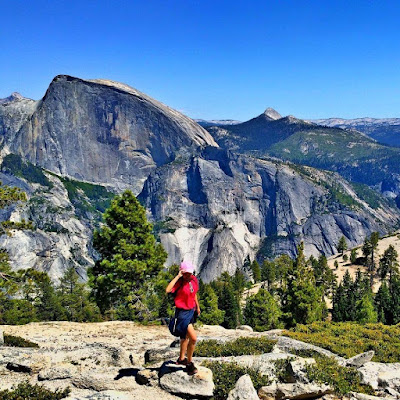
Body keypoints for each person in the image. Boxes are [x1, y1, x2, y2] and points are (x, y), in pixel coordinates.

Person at [166, 260, 200, 375]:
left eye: (190, 273)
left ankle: (181, 359)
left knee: (185, 337)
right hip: (182, 313)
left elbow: (194, 294)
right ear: (182, 272)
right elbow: (168, 290)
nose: (188, 275)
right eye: (186, 273)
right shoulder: (179, 282)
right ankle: (189, 363)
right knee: (193, 338)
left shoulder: (194, 279)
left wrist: (198, 307)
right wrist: (178, 276)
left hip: (191, 310)